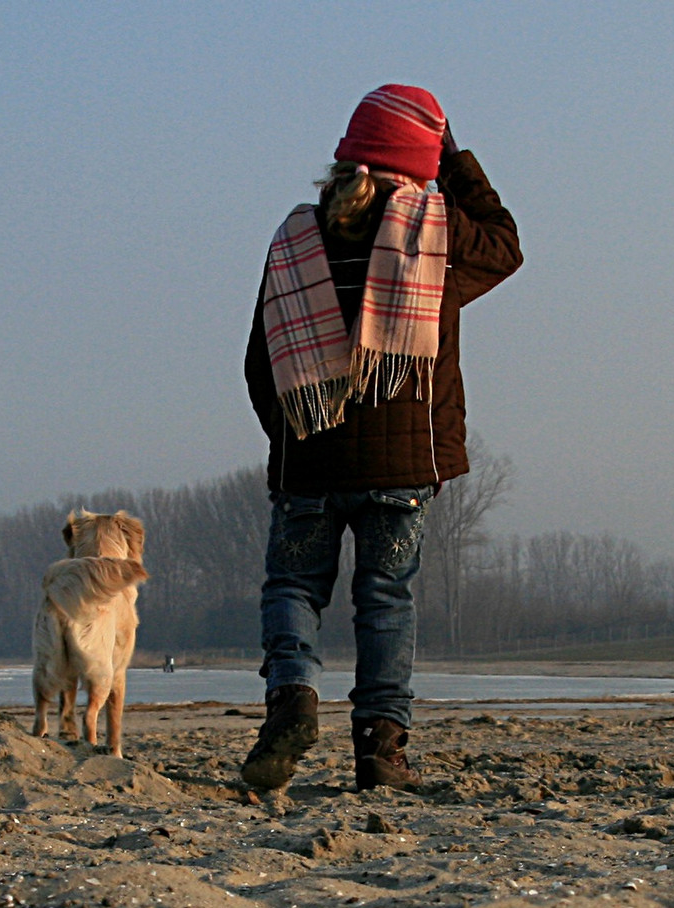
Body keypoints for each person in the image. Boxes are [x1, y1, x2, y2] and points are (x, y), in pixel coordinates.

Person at [239, 84, 522, 794]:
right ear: (419, 161)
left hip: (309, 456)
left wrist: (293, 432)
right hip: (400, 466)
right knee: (385, 599)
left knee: (293, 585)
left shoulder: (294, 237)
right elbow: (508, 244)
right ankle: (380, 754)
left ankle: (294, 696)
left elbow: (259, 359)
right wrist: (455, 159)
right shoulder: (439, 235)